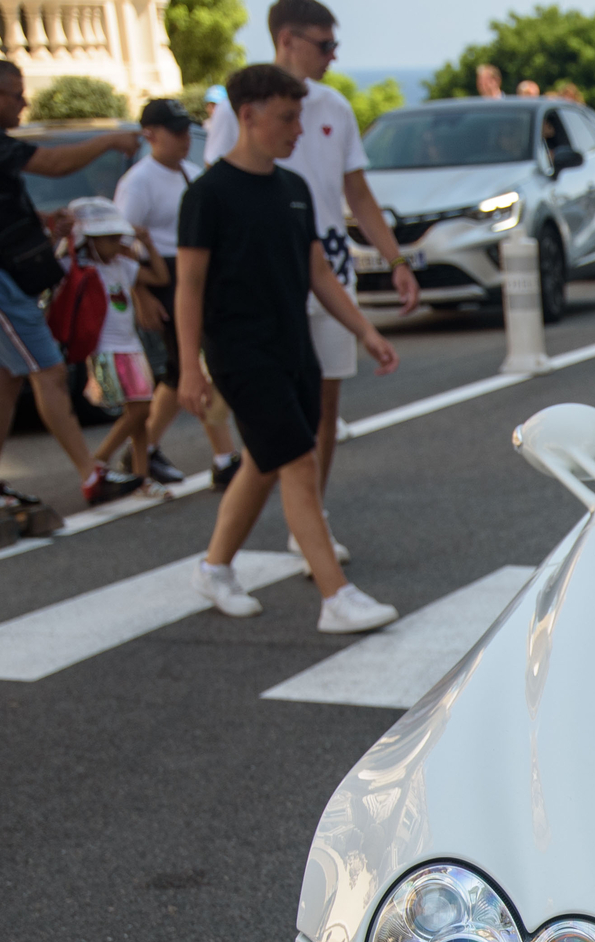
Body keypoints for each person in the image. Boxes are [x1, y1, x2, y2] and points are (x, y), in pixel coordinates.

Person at [178, 64, 398, 634]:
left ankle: (214, 567)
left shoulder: (293, 190)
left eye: (298, 116)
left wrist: (365, 331)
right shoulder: (208, 196)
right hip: (240, 351)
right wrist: (187, 368)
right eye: (286, 117)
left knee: (264, 459)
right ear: (246, 117)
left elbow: (319, 274)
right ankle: (337, 597)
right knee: (297, 460)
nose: (298, 129)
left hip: (293, 345)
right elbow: (190, 286)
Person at [204, 0, 420, 563]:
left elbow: (358, 194)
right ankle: (272, 544)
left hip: (325, 267)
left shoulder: (335, 107)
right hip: (264, 280)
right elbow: (217, 191)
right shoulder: (240, 107)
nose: (333, 57)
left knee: (321, 404)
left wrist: (396, 262)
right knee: (280, 415)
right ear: (287, 40)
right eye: (324, 46)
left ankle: (309, 522)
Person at [0, 59, 145, 509]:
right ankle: (91, 473)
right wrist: (110, 140)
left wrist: (40, 221)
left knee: (7, 374)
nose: (24, 103)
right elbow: (53, 164)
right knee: (49, 371)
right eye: (18, 95)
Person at [114, 97, 240, 490]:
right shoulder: (138, 181)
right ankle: (224, 456)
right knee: (195, 366)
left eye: (187, 130)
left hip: (194, 270)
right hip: (160, 275)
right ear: (150, 135)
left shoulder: (191, 174)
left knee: (174, 371)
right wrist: (139, 293)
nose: (185, 138)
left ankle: (145, 445)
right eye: (175, 131)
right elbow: (119, 242)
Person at [66, 199, 164, 488]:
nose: (116, 243)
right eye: (108, 239)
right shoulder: (80, 266)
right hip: (106, 348)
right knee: (140, 409)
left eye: (117, 237)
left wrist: (147, 243)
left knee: (139, 414)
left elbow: (160, 276)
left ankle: (141, 476)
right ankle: (100, 460)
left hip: (132, 346)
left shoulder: (123, 265)